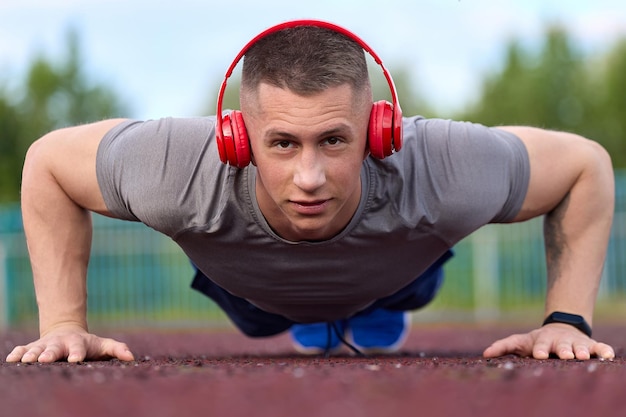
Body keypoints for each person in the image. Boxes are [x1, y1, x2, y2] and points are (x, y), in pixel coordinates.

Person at [6, 20, 616, 363]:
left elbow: (585, 165)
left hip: (396, 271)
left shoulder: (442, 163)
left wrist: (567, 321)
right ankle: (321, 317)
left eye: (332, 141)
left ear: (379, 131)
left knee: (411, 274)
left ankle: (368, 308)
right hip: (252, 290)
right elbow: (47, 163)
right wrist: (63, 322)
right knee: (259, 320)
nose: (309, 178)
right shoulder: (175, 166)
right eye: (282, 144)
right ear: (236, 138)